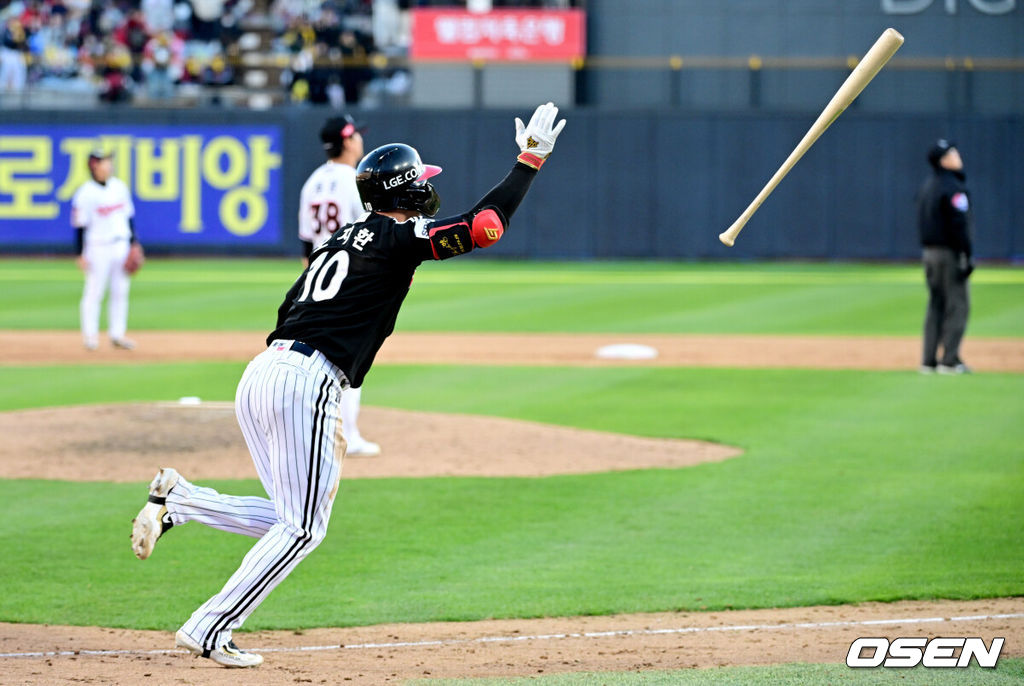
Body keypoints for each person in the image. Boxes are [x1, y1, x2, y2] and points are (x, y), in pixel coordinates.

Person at [130, 102, 566, 668]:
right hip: (307, 380)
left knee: (290, 518)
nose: (429, 189)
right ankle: (209, 626)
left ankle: (181, 501)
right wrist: (529, 160)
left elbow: (291, 307)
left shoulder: (343, 237)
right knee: (306, 529)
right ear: (405, 191)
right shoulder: (396, 235)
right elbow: (485, 226)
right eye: (422, 182)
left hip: (264, 369)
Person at [298, 114, 380, 457]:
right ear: (348, 141)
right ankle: (349, 436)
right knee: (353, 358)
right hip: (351, 277)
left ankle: (315, 428)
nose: (361, 141)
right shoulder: (356, 181)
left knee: (321, 358)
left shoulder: (312, 182)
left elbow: (305, 244)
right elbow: (372, 231)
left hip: (318, 279)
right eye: (357, 136)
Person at [72, 149, 143, 351]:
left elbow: (128, 217)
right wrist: (80, 254)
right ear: (94, 166)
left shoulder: (119, 187)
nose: (109, 165)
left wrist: (134, 242)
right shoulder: (85, 193)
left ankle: (117, 334)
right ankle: (90, 337)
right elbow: (79, 226)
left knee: (120, 291)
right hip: (97, 247)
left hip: (120, 244)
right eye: (105, 162)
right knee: (94, 292)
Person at [917, 139, 974, 375]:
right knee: (958, 305)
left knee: (936, 304)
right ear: (944, 161)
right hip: (948, 253)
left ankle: (928, 361)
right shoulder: (952, 187)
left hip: (928, 253)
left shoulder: (928, 185)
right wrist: (965, 255)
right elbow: (958, 224)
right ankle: (949, 360)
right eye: (952, 153)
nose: (958, 155)